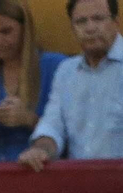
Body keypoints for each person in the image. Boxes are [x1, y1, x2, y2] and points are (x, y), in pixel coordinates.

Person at [20, 0, 123, 171]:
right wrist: (40, 150)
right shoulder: (66, 71)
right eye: (81, 21)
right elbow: (53, 125)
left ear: (116, 22)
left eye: (98, 19)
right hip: (80, 186)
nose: (90, 28)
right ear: (72, 27)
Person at [0, 0, 66, 162]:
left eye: (6, 32)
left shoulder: (55, 66)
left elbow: (71, 136)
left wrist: (28, 119)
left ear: (25, 29)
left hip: (38, 167)